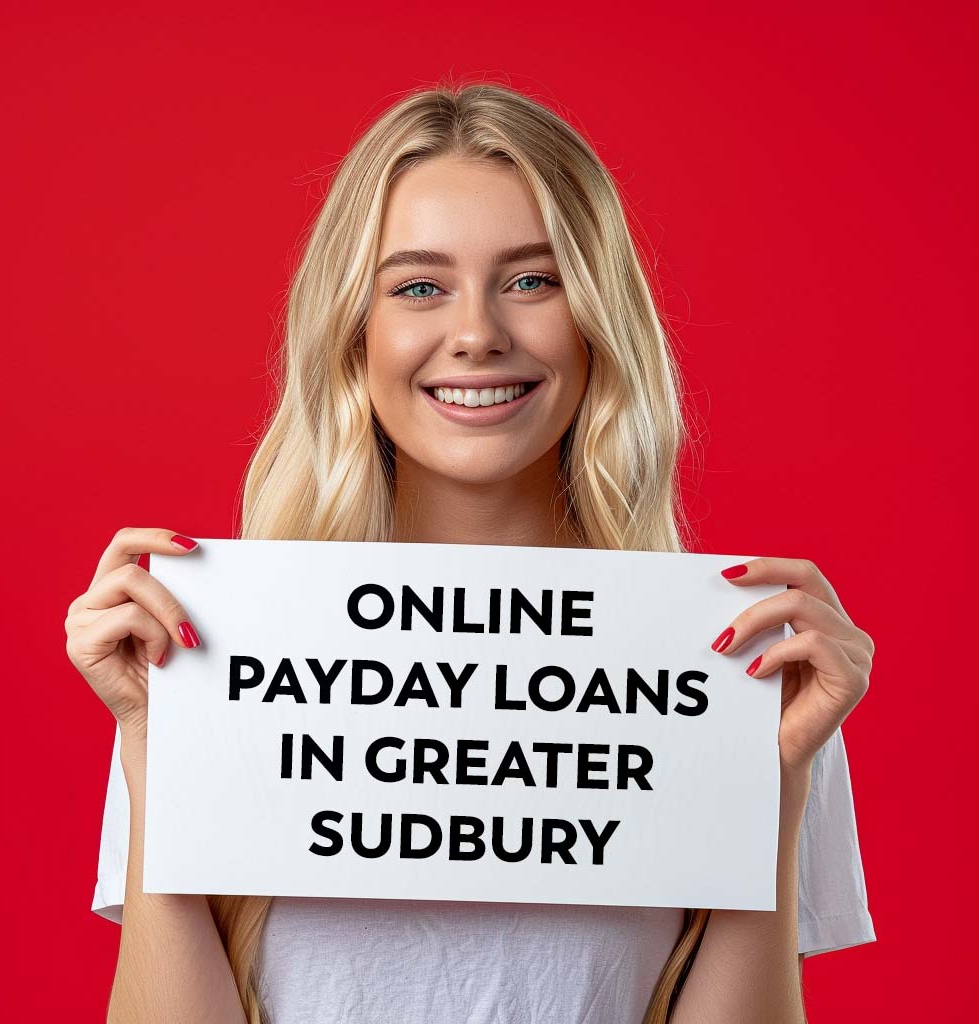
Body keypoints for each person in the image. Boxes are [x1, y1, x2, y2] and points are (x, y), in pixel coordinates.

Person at [66, 82, 876, 1023]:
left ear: (598, 317)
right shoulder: (215, 652)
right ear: (352, 330)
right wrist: (163, 761)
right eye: (418, 286)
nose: (478, 335)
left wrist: (761, 783)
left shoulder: (743, 661)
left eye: (533, 280)